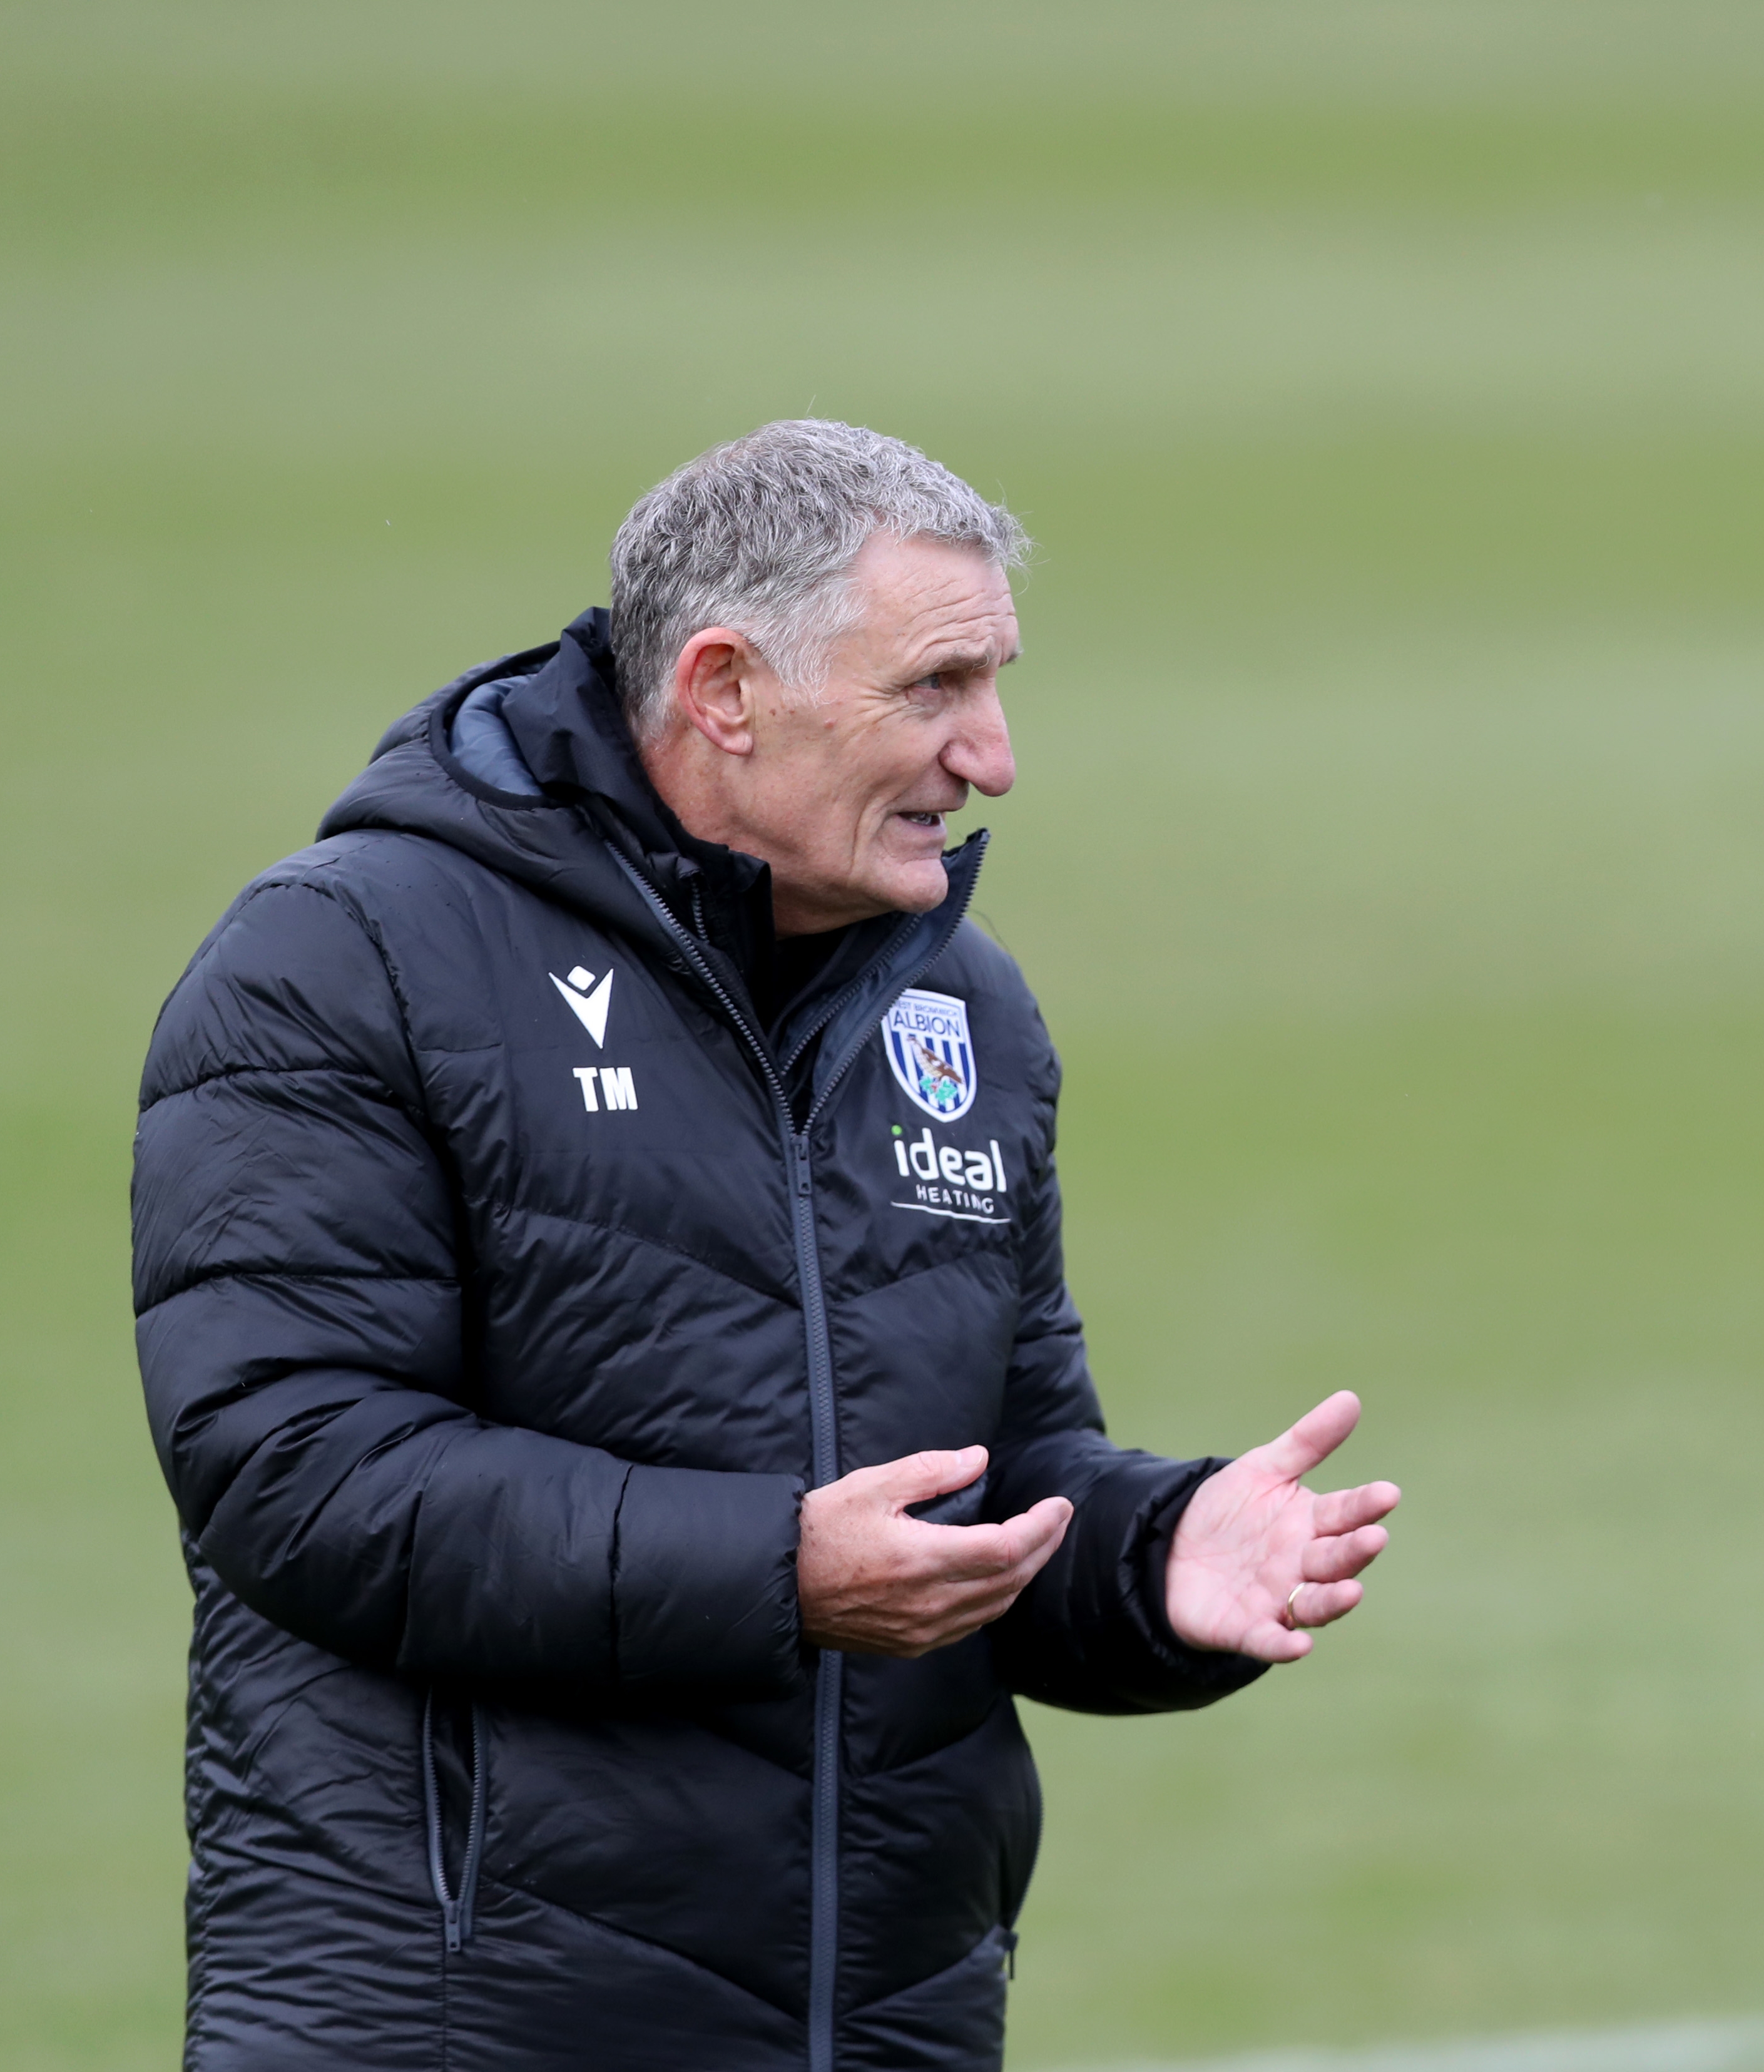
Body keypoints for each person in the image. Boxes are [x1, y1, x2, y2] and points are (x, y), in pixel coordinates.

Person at [131, 420, 1402, 2071]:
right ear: (725, 690)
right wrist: (778, 1575)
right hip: (464, 2022)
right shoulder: (348, 958)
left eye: (999, 684)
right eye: (934, 690)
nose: (995, 756)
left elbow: (988, 1488)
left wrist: (1147, 1563)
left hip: (874, 2023)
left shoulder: (960, 1007)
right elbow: (294, 1470)